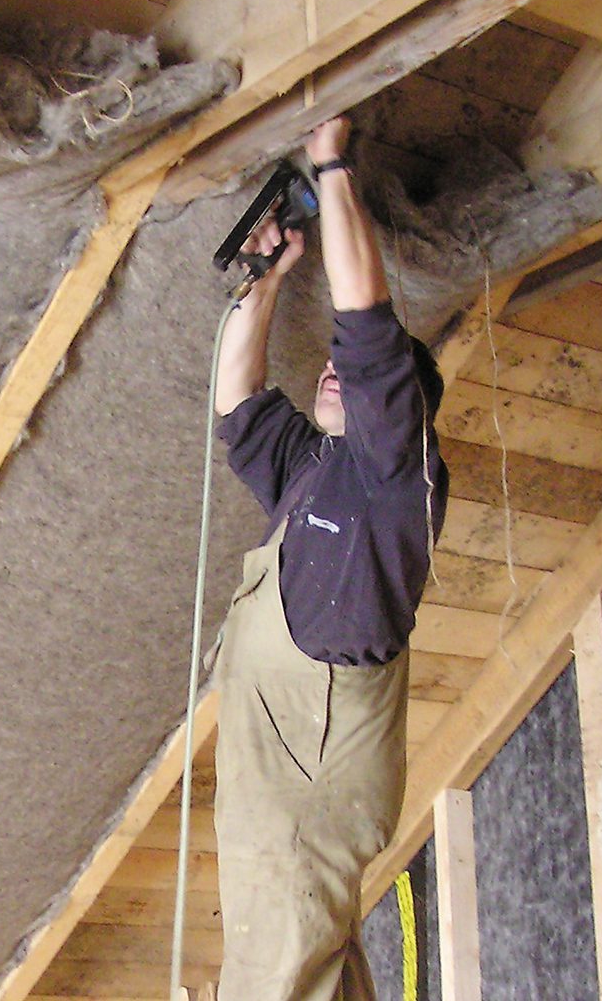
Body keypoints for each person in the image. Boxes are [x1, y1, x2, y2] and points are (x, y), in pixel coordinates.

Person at [205, 115, 448, 1001]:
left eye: (366, 377)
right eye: (336, 372)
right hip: (280, 812)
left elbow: (371, 331)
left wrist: (333, 164)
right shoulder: (317, 476)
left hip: (305, 815)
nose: (337, 375)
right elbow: (239, 412)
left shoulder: (390, 491)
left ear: (402, 415)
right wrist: (268, 279)